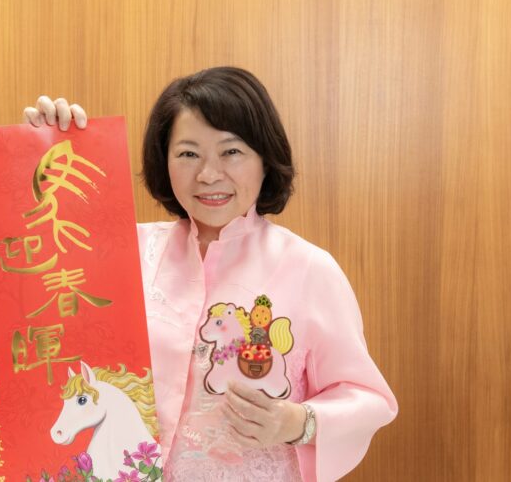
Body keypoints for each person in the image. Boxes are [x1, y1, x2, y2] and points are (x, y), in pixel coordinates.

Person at [23, 67, 397, 482]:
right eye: (188, 154)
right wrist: (42, 148)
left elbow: (367, 398)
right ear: (164, 161)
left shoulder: (309, 269)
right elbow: (35, 278)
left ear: (265, 159)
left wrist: (297, 422)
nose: (208, 174)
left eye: (231, 151)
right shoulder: (123, 252)